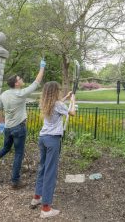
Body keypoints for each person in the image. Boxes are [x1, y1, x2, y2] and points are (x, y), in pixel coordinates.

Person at [0, 59, 46, 189]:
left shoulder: (4, 94)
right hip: (19, 128)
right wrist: (42, 67)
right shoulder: (21, 93)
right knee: (18, 153)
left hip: (8, 128)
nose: (22, 79)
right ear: (16, 83)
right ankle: (15, 181)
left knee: (5, 149)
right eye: (20, 79)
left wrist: (2, 123)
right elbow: (37, 82)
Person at [30, 81, 76, 218]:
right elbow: (72, 113)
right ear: (55, 91)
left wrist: (67, 97)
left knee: (42, 168)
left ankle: (37, 197)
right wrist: (73, 101)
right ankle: (46, 209)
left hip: (43, 138)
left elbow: (57, 105)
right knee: (50, 172)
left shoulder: (45, 103)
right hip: (52, 141)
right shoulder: (58, 105)